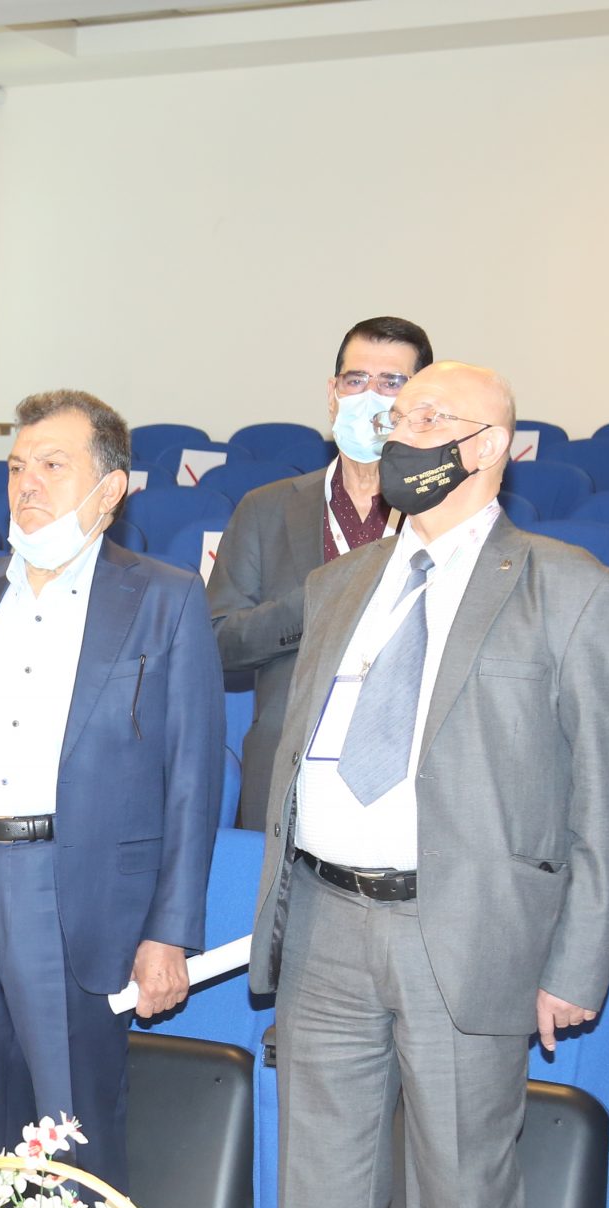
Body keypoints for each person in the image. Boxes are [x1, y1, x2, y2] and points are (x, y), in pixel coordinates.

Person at [250, 362, 609, 1208]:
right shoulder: (342, 582)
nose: (399, 432)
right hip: (327, 917)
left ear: (493, 445)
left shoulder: (569, 591)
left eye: (429, 418)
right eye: (396, 416)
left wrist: (575, 961)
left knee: (464, 1189)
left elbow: (605, 797)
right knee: (319, 1181)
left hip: (463, 928)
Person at [0, 389, 224, 1189]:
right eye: (17, 466)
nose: (27, 483)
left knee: (74, 1139)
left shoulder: (164, 597)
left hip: (74, 892)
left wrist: (170, 932)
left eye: (53, 464)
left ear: (110, 488)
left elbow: (192, 777)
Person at [210, 316, 433, 828]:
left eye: (390, 382)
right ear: (332, 395)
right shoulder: (266, 509)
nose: (368, 396)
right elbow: (219, 641)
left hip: (406, 781)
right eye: (355, 380)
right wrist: (320, 601)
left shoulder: (442, 512)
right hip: (285, 778)